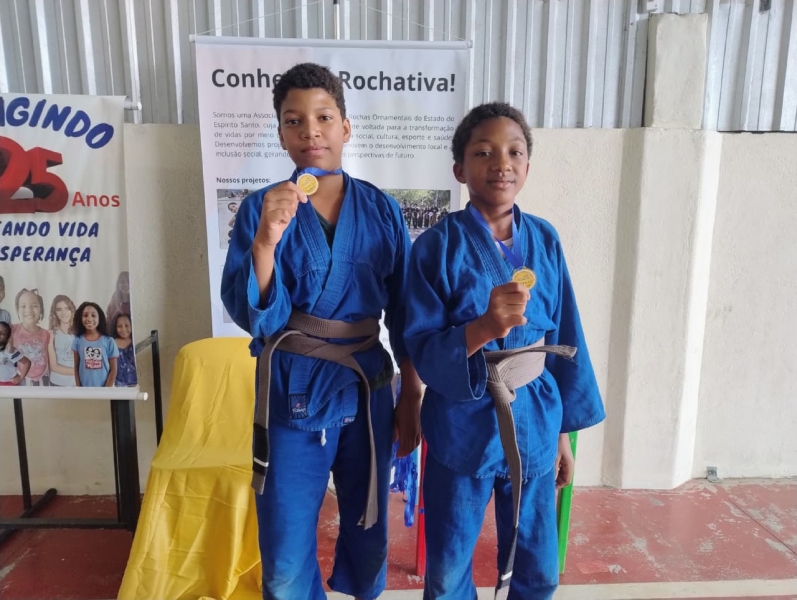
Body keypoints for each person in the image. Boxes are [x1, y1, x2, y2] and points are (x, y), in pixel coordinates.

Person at [221, 62, 422, 600]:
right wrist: (266, 242)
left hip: (369, 386)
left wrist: (411, 394)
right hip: (293, 386)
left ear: (346, 127)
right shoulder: (261, 208)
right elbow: (255, 314)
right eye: (294, 121)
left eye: (324, 117)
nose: (310, 131)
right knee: (285, 554)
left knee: (369, 531)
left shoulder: (381, 209)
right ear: (281, 134)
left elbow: (406, 311)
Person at [403, 102, 606, 600]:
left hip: (535, 416)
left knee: (537, 563)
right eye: (483, 152)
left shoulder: (545, 238)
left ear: (527, 167)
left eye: (514, 152)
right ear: (459, 169)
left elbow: (566, 332)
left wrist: (562, 434)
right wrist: (483, 327)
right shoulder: (435, 247)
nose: (501, 163)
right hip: (461, 422)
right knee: (448, 569)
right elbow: (422, 345)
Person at [71, 302, 118, 388]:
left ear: (99, 318)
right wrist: (79, 388)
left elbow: (114, 370)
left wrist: (106, 390)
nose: (89, 319)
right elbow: (76, 367)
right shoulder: (77, 340)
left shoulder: (109, 341)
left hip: (104, 390)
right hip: (84, 391)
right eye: (85, 315)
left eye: (93, 315)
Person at [12, 288, 50, 385]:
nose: (28, 310)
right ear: (17, 309)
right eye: (23, 306)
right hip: (20, 380)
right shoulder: (12, 330)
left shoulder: (46, 334)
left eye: (34, 306)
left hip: (43, 380)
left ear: (41, 309)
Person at [47, 294, 77, 387]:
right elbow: (53, 367)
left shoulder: (80, 332)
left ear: (72, 310)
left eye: (67, 308)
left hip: (76, 383)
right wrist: (79, 372)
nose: (63, 313)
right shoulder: (51, 333)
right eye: (59, 309)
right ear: (54, 312)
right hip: (57, 383)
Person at [112, 313, 138, 387]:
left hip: (135, 382)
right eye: (119, 326)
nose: (123, 329)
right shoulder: (112, 343)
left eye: (126, 325)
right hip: (117, 384)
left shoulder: (135, 341)